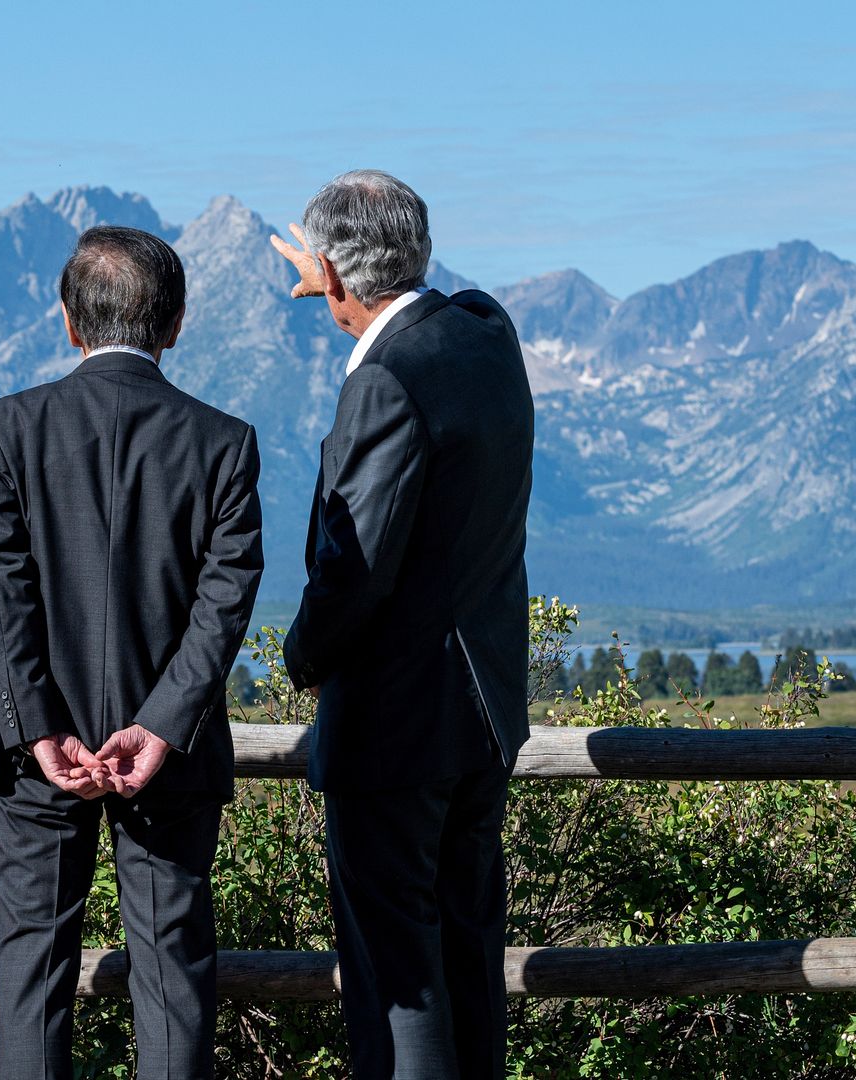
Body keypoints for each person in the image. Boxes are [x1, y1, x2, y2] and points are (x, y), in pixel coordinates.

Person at [0, 224, 264, 1079]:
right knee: (172, 974)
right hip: (167, 759)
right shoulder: (224, 443)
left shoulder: (3, 429)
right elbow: (224, 602)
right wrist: (163, 726)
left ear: (68, 321)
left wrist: (42, 727)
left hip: (35, 759)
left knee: (31, 972)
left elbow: (2, 595)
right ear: (174, 325)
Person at [271, 170, 534, 1079]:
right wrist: (337, 272)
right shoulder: (486, 337)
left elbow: (355, 564)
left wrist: (301, 656)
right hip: (485, 708)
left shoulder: (386, 378)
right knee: (470, 958)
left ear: (337, 277)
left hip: (396, 723)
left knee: (398, 979)